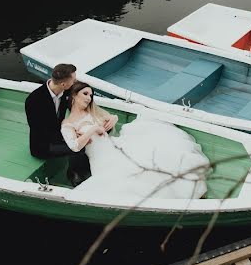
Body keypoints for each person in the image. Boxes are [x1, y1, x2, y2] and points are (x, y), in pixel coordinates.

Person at [61, 82, 210, 198]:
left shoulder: (90, 113)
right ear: (73, 95)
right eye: (85, 94)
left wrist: (112, 120)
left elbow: (109, 122)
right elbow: (74, 146)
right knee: (130, 181)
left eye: (91, 95)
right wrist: (93, 130)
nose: (89, 98)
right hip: (101, 159)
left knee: (158, 156)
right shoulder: (68, 124)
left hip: (114, 147)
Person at [24, 63, 90, 186]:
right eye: (74, 80)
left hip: (59, 134)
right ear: (63, 84)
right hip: (43, 145)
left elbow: (85, 102)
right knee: (78, 147)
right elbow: (39, 130)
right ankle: (76, 178)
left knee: (86, 139)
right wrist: (71, 134)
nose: (76, 82)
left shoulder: (67, 90)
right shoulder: (34, 100)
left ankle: (85, 172)